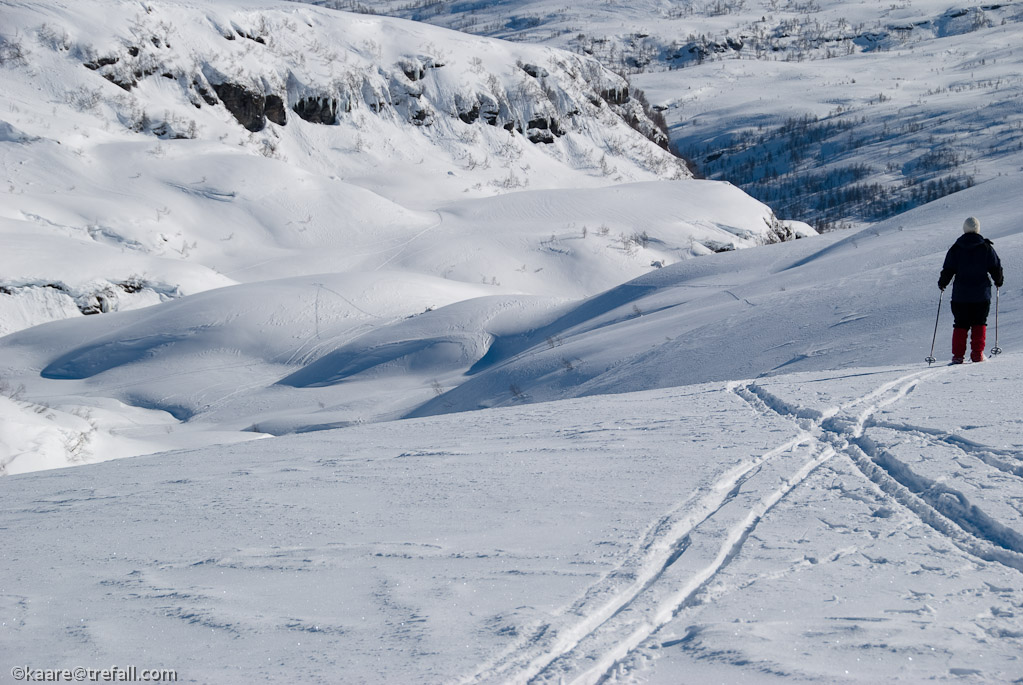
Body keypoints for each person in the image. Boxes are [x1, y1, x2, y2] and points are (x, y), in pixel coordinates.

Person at [938, 216, 1004, 363]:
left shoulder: (956, 248)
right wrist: (998, 281)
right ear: (978, 229)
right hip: (981, 294)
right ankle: (977, 354)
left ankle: (958, 356)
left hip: (960, 295)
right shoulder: (986, 247)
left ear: (964, 229)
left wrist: (943, 283)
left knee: (960, 324)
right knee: (979, 323)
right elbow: (995, 267)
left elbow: (948, 269)